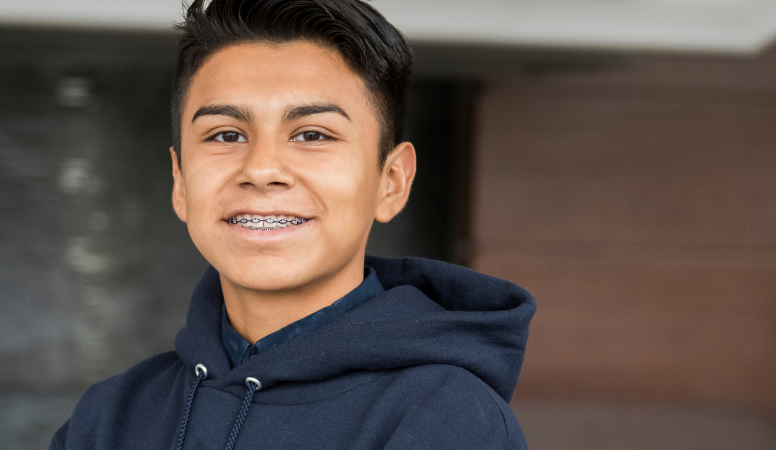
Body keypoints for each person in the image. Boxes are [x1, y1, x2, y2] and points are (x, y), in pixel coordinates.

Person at [50, 0, 535, 448]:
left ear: (391, 182)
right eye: (225, 134)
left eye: (311, 134)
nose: (261, 170)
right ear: (180, 182)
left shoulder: (444, 419)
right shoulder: (110, 415)